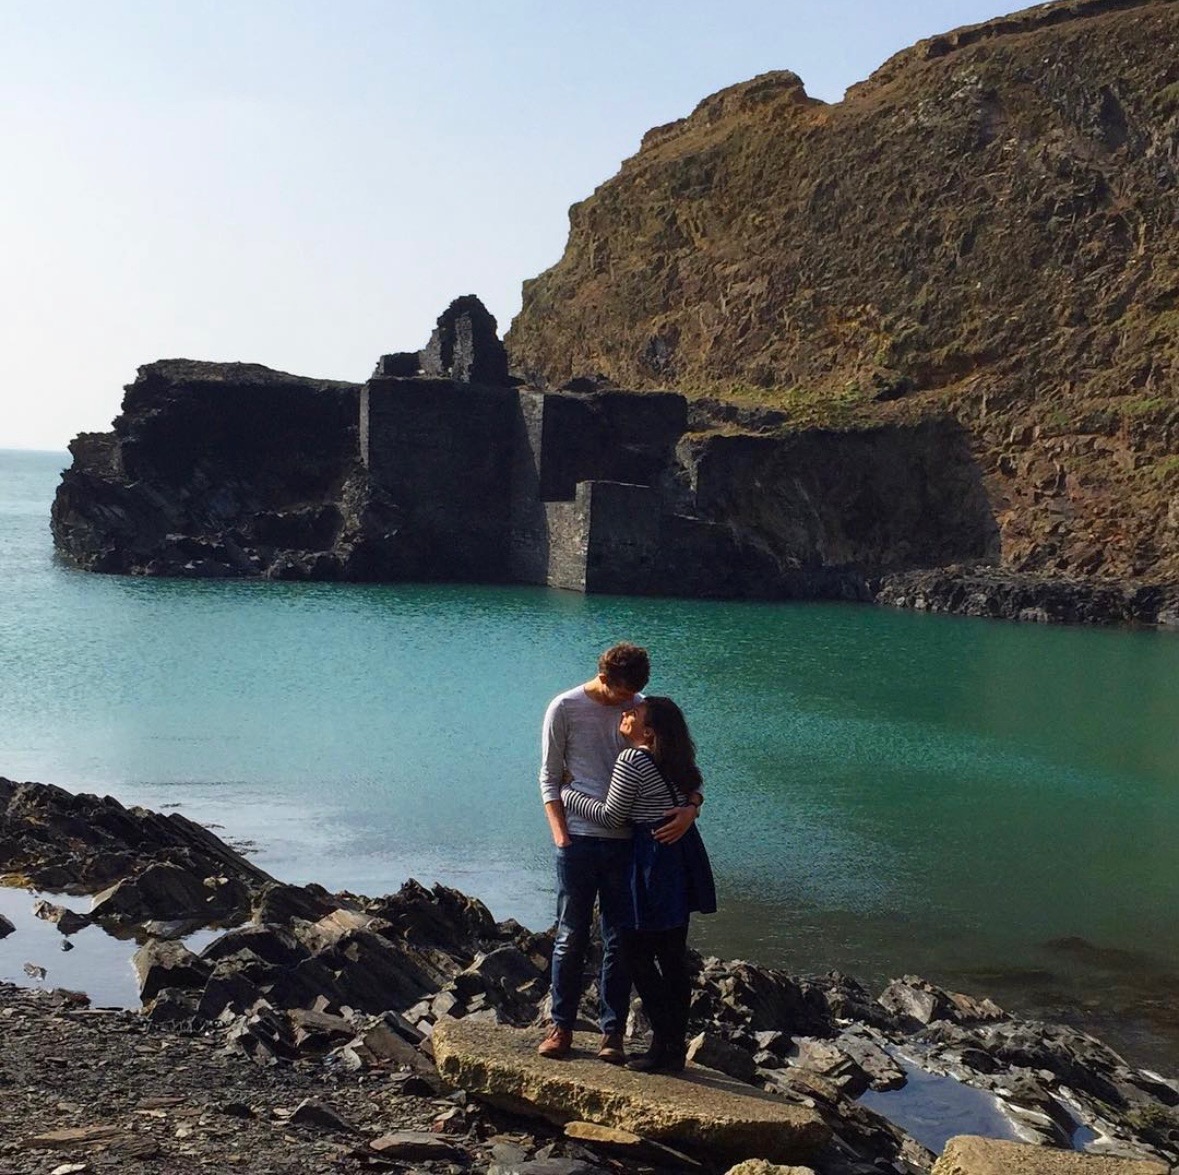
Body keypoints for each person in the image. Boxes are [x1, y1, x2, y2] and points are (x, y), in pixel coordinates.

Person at [538, 644, 699, 1064]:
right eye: (621, 695)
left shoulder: (643, 711)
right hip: (578, 842)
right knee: (570, 936)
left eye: (634, 696)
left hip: (627, 844)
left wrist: (692, 807)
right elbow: (548, 776)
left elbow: (677, 766)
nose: (628, 703)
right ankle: (561, 1028)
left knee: (620, 940)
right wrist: (561, 835)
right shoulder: (565, 707)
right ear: (604, 678)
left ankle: (613, 1035)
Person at [561, 696, 715, 1074]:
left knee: (635, 952)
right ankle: (671, 1049)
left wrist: (567, 794)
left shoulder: (632, 759)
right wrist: (693, 806)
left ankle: (664, 1043)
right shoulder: (676, 760)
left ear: (648, 731)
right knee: (672, 957)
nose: (624, 715)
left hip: (651, 860)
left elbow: (613, 816)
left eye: (633, 714)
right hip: (680, 858)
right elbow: (696, 786)